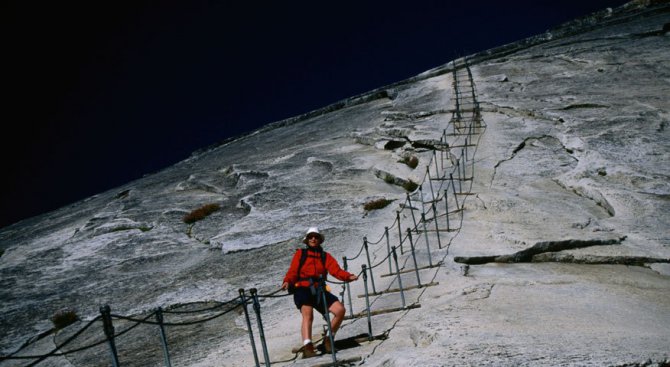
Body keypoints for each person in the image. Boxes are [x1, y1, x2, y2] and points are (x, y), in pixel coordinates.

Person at [282, 227, 358, 358]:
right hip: (303, 288)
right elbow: (293, 271)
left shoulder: (325, 256)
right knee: (308, 315)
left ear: (319, 240)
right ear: (306, 240)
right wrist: (288, 281)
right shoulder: (300, 254)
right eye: (311, 237)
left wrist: (348, 276)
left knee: (340, 310)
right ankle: (308, 347)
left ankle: (328, 339)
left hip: (320, 290)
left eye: (316, 237)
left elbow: (336, 270)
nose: (313, 239)